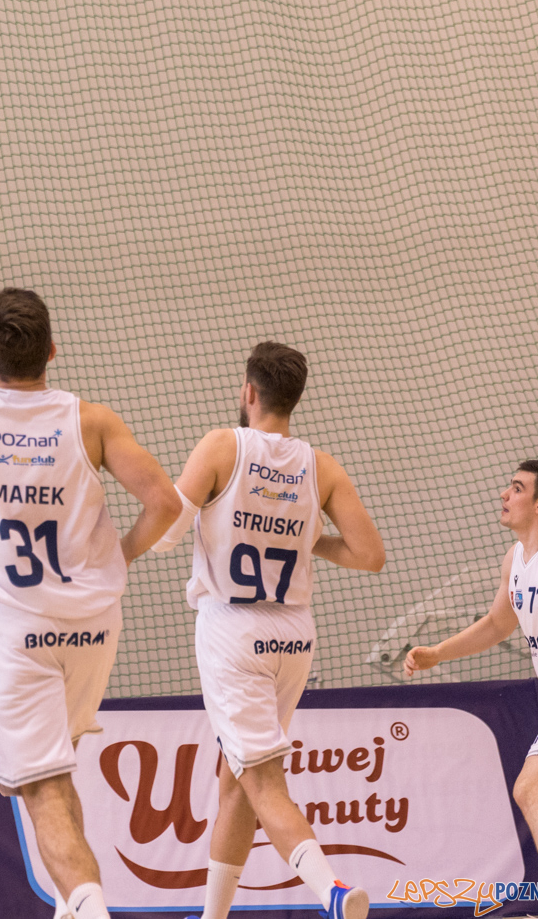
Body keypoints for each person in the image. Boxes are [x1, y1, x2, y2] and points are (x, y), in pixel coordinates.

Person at [0, 287, 181, 919]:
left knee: (41, 789)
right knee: (57, 777)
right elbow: (167, 504)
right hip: (93, 626)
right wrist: (116, 557)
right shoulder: (94, 421)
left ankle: (91, 910)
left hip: (16, 628)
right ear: (52, 350)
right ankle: (72, 909)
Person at [150, 343, 385, 919]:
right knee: (238, 779)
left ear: (248, 392)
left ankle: (331, 891)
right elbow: (370, 554)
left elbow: (167, 528)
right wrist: (304, 540)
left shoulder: (221, 445)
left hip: (233, 631)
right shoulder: (321, 465)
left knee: (262, 782)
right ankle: (213, 916)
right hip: (294, 635)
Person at [405, 462, 538, 919]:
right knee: (536, 791)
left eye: (517, 488)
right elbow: (496, 624)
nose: (505, 494)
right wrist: (437, 654)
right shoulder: (516, 560)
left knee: (532, 789)